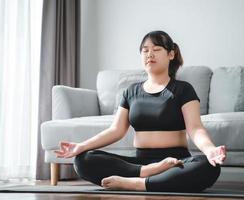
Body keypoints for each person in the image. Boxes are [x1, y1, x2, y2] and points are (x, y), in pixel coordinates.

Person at [55, 30, 226, 193]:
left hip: (175, 161)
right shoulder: (131, 91)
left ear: (171, 54)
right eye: (145, 50)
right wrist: (81, 146)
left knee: (208, 165)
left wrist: (210, 150)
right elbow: (116, 130)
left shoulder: (183, 89)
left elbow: (195, 129)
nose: (150, 54)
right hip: (139, 164)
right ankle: (148, 174)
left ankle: (137, 183)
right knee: (83, 160)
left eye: (156, 49)